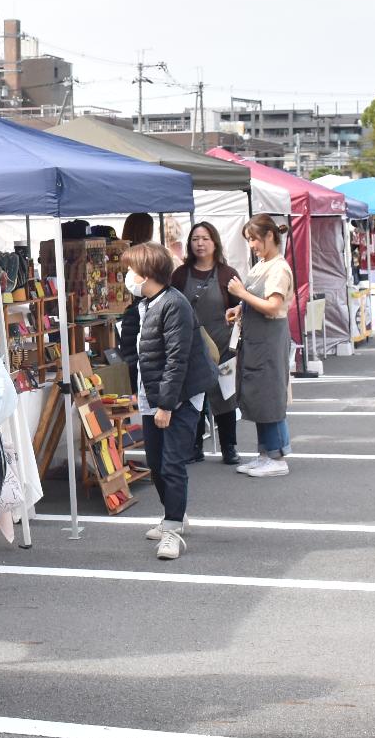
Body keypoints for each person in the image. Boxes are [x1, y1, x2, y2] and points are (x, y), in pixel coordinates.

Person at [125, 243, 216, 560]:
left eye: (131, 270)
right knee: (156, 462)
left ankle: (173, 531)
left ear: (146, 273)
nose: (127, 276)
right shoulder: (146, 303)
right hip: (156, 393)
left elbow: (177, 359)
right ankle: (173, 516)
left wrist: (166, 405)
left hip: (180, 396)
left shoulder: (173, 304)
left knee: (172, 463)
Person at [227, 215, 294, 478]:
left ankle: (277, 456)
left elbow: (273, 305)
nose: (252, 244)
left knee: (269, 396)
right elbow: (256, 300)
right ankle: (265, 453)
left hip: (269, 338)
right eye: (249, 240)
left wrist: (242, 294)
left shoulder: (278, 267)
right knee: (259, 395)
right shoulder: (263, 264)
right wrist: (238, 307)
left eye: (254, 239)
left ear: (269, 236)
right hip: (258, 338)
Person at [170, 221, 242, 465]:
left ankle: (229, 447)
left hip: (222, 342)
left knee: (225, 396)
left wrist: (236, 310)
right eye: (195, 239)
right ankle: (195, 445)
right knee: (194, 395)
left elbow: (241, 305)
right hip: (191, 343)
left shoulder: (227, 273)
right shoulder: (180, 274)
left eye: (205, 238)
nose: (200, 244)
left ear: (215, 242)